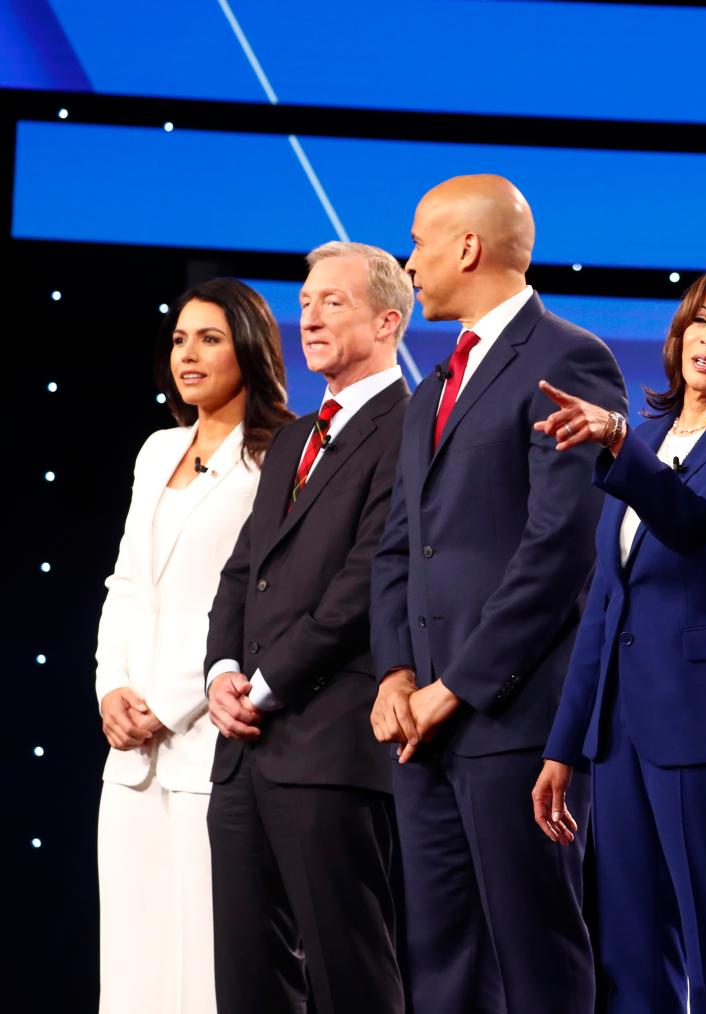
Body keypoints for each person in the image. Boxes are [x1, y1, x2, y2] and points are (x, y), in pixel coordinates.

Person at [369, 174, 627, 1014]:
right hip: (422, 731)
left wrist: (456, 686)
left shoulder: (568, 360)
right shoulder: (429, 392)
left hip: (515, 722)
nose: (410, 263)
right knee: (440, 964)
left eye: (419, 242)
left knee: (535, 954)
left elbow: (560, 550)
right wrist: (396, 674)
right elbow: (399, 546)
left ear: (469, 247)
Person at [531, 264, 706, 1014]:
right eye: (700, 320)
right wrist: (564, 746)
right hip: (621, 741)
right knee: (630, 959)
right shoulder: (647, 437)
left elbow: (703, 528)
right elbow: (605, 606)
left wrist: (622, 444)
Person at [203, 241, 411, 1014]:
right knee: (248, 976)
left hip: (331, 746)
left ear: (388, 322)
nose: (310, 318)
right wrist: (221, 672)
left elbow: (366, 581)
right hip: (244, 752)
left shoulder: (412, 427)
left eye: (333, 302)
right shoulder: (293, 435)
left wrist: (266, 684)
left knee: (351, 969)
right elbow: (242, 570)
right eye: (305, 303)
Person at [93, 278, 293, 1014]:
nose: (188, 354)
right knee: (132, 960)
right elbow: (127, 582)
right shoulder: (158, 450)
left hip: (211, 738)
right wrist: (112, 688)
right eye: (180, 339)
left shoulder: (276, 458)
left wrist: (171, 702)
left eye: (209, 339)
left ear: (250, 348)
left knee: (207, 961)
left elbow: (256, 603)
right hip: (130, 753)